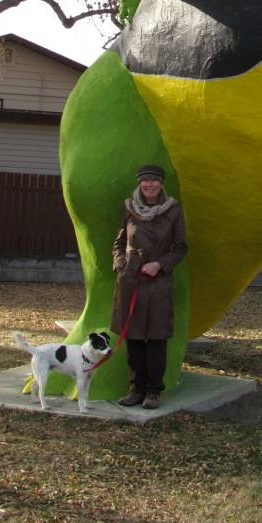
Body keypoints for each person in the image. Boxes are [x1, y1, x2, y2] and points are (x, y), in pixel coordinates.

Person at [111, 164, 187, 409]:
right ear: (139, 184)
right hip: (131, 280)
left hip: (157, 282)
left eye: (154, 181)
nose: (150, 185)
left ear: (161, 184)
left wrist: (160, 265)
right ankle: (135, 388)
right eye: (145, 181)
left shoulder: (173, 211)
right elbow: (119, 242)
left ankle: (153, 391)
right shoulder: (129, 208)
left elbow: (180, 247)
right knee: (132, 337)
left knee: (156, 337)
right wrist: (121, 265)